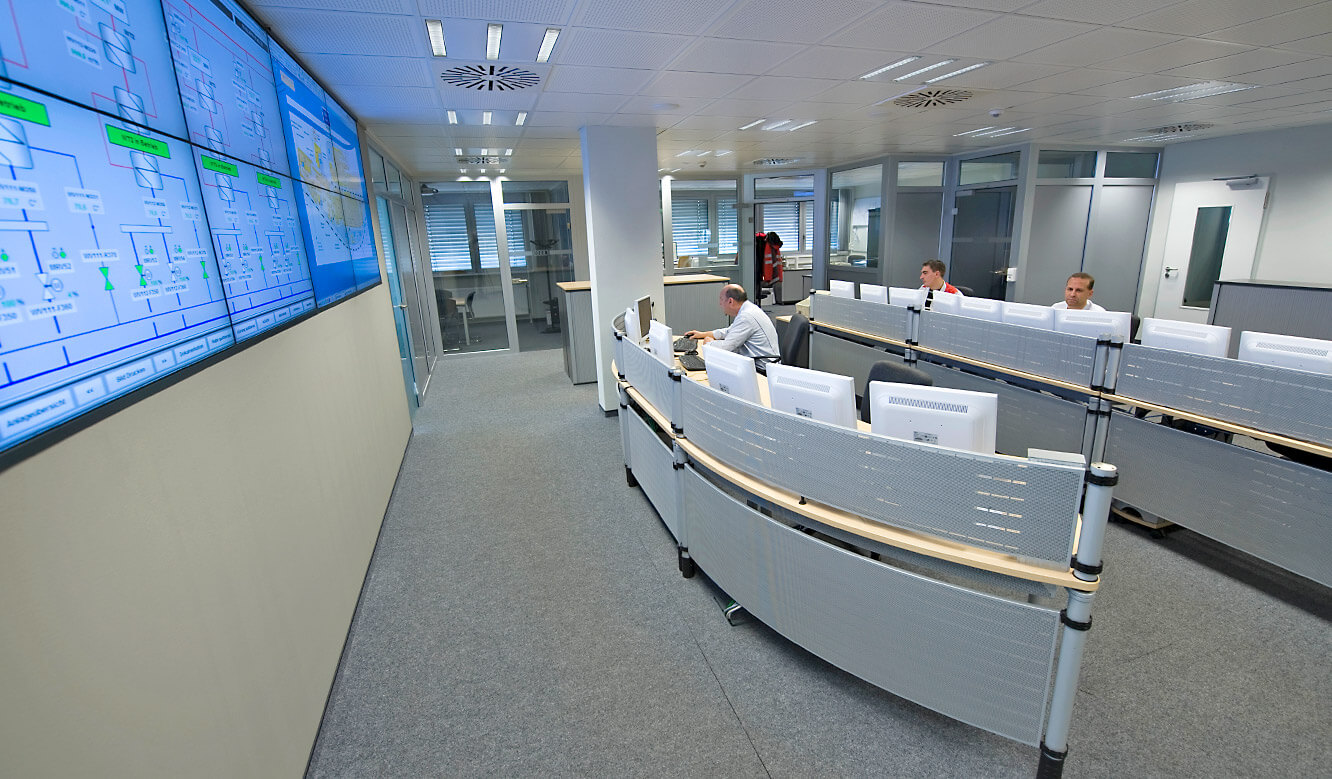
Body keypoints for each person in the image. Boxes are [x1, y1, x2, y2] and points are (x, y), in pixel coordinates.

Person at [684, 284, 780, 362]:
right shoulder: (748, 309)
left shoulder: (746, 316)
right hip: (756, 362)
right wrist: (703, 334)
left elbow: (726, 348)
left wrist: (708, 343)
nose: (720, 304)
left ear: (730, 301)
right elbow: (729, 331)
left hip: (762, 369)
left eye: (721, 299)